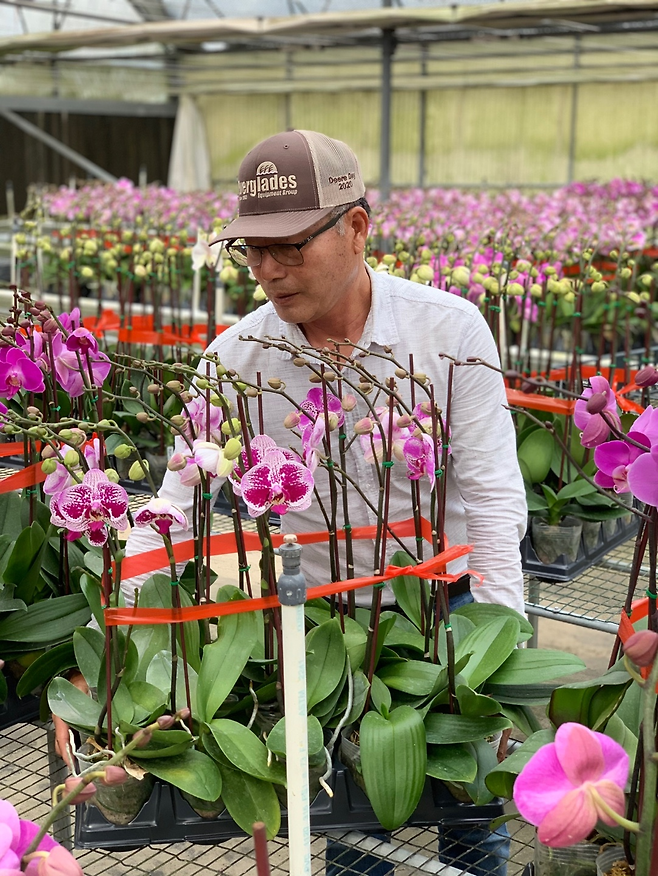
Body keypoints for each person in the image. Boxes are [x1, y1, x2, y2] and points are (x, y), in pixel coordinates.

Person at [56, 130, 526, 875]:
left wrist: (508, 640)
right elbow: (172, 508)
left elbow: (495, 498)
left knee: (469, 813)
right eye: (252, 250)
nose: (268, 271)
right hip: (322, 618)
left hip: (446, 604)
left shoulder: (449, 333)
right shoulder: (237, 359)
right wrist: (106, 651)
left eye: (291, 246)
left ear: (357, 227)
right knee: (336, 805)